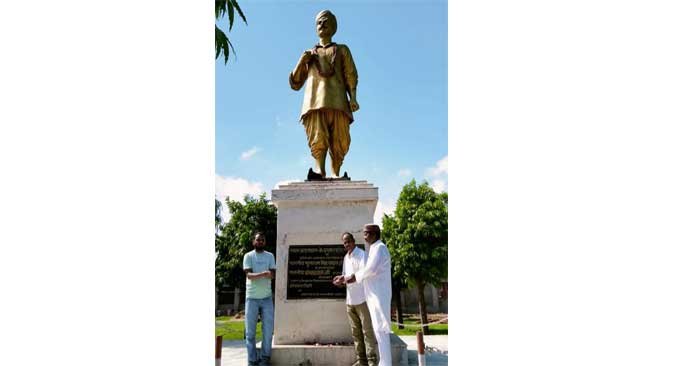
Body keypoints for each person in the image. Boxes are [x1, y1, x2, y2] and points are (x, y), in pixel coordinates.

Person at [289, 9, 359, 179]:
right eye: (319, 22)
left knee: (339, 138)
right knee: (317, 137)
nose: (322, 24)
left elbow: (351, 73)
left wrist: (353, 97)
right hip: (314, 102)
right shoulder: (310, 54)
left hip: (339, 102)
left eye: (326, 21)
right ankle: (319, 169)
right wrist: (302, 61)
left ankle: (336, 172)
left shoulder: (342, 50)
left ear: (334, 26)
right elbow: (295, 83)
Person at [340, 224, 393, 366]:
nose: (364, 236)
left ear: (374, 234)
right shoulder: (373, 249)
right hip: (371, 297)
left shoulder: (379, 248)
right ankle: (384, 362)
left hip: (378, 296)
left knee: (379, 331)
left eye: (366, 233)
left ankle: (382, 362)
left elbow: (369, 270)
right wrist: (344, 279)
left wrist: (351, 278)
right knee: (378, 331)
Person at [333, 233, 379, 366]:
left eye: (348, 242)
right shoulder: (346, 258)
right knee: (356, 334)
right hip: (350, 301)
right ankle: (362, 360)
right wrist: (339, 280)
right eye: (344, 243)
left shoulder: (362, 255)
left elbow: (363, 274)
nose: (346, 244)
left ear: (353, 241)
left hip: (362, 299)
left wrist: (347, 278)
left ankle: (372, 361)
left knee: (367, 332)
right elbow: (345, 276)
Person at [242, 232, 276, 366]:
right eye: (258, 240)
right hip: (252, 298)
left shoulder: (270, 256)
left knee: (268, 332)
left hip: (267, 298)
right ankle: (252, 360)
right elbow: (249, 275)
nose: (260, 242)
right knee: (250, 333)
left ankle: (265, 359)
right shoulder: (248, 256)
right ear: (253, 242)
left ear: (264, 242)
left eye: (262, 240)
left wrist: (269, 274)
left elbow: (272, 274)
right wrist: (263, 273)